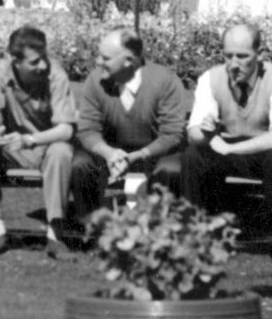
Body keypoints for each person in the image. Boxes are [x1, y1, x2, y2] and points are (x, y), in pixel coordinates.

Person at [181, 20, 272, 274]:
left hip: (262, 150)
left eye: (243, 56)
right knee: (192, 156)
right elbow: (193, 134)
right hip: (224, 147)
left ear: (259, 55)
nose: (234, 64)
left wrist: (231, 149)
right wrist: (205, 131)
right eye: (228, 56)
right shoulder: (210, 79)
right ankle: (195, 241)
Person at [68, 28, 192, 226]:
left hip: (153, 157)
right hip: (109, 158)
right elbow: (88, 129)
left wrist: (138, 155)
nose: (98, 62)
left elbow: (171, 134)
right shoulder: (95, 80)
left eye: (105, 57)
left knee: (171, 169)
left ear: (128, 60)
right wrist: (108, 153)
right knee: (80, 164)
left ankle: (157, 230)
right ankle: (91, 228)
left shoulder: (165, 81)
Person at [0, 24, 78, 259]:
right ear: (15, 60)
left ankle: (56, 236)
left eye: (43, 58)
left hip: (46, 144)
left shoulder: (56, 74)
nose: (41, 65)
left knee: (62, 152)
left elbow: (66, 129)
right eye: (34, 62)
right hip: (13, 147)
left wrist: (31, 139)